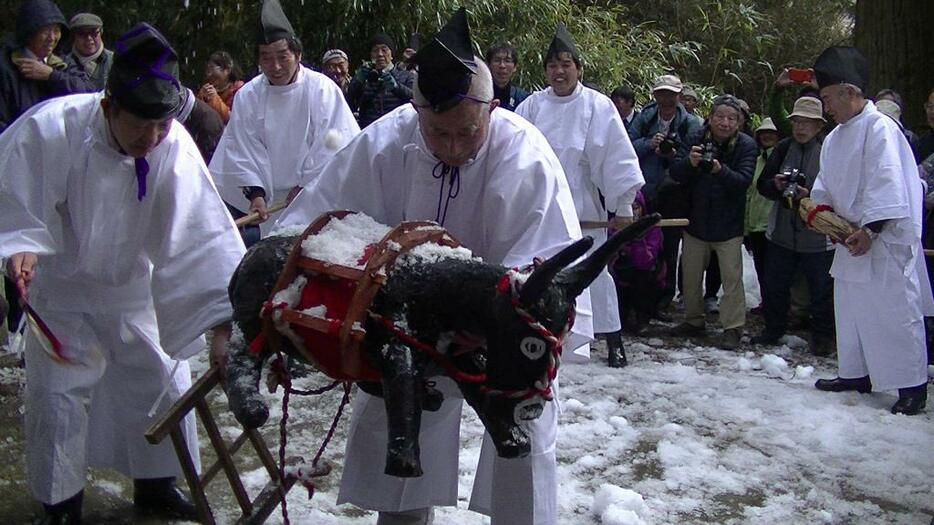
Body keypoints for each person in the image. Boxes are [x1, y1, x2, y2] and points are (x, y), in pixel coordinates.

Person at [276, 9, 591, 524]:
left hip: (503, 323)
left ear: (490, 108)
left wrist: (497, 320)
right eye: (437, 133)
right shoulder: (386, 140)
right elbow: (320, 224)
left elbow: (544, 268)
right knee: (396, 413)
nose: (451, 146)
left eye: (466, 132)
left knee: (525, 422)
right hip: (409, 323)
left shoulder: (525, 154)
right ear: (416, 111)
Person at [0, 23, 246, 522]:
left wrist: (222, 319)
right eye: (141, 125)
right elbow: (16, 200)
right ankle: (60, 502)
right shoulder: (53, 127)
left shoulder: (170, 144)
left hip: (136, 289)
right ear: (109, 107)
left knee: (159, 379)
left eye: (161, 126)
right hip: (63, 291)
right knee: (60, 397)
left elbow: (200, 234)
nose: (152, 138)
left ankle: (156, 485)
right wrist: (20, 247)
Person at [810, 46, 933, 415]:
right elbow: (824, 185)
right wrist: (825, 216)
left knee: (894, 310)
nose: (826, 108)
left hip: (884, 241)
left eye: (829, 98)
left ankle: (912, 384)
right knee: (850, 309)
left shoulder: (881, 128)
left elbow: (889, 183)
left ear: (849, 91)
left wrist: (871, 230)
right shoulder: (834, 138)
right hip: (849, 239)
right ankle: (856, 373)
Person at [516, 23, 644, 368]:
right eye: (553, 65)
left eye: (566, 64)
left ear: (578, 68)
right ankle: (548, 338)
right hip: (541, 208)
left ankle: (612, 339)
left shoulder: (597, 106)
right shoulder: (531, 106)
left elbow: (616, 158)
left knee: (595, 274)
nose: (559, 72)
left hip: (583, 206)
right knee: (541, 273)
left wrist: (622, 204)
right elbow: (513, 155)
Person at [210, 0, 360, 236]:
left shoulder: (322, 89)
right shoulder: (248, 96)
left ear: (298, 55)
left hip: (317, 195)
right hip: (272, 205)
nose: (276, 66)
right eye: (266, 58)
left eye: (283, 56)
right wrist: (256, 195)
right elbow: (242, 148)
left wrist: (305, 186)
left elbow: (335, 142)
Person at [670, 94, 758, 349]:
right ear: (710, 118)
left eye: (732, 118)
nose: (725, 123)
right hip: (696, 219)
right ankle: (693, 320)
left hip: (728, 224)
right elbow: (675, 172)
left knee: (732, 278)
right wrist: (690, 162)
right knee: (690, 276)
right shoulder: (696, 137)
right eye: (720, 117)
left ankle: (732, 327)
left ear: (739, 123)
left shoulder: (746, 146)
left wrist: (720, 170)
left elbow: (743, 182)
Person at [753, 97, 835, 356]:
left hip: (818, 235)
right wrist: (776, 186)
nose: (801, 128)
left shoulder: (829, 151)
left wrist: (809, 195)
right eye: (797, 121)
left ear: (819, 126)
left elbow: (838, 192)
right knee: (775, 284)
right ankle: (773, 329)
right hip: (782, 233)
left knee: (821, 288)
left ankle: (822, 336)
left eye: (807, 122)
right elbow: (762, 185)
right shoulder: (783, 148)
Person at [627, 74, 702, 312]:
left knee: (669, 247)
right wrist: (649, 144)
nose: (666, 99)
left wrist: (672, 155)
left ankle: (665, 297)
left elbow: (690, 157)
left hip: (674, 193)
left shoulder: (690, 124)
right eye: (661, 93)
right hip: (646, 191)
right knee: (643, 244)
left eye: (670, 94)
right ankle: (641, 296)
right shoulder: (645, 118)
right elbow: (626, 147)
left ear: (679, 95)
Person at [0, 0, 94, 133]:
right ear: (29, 32)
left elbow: (89, 92)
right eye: (45, 31)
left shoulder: (63, 62)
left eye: (56, 31)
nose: (52, 38)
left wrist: (51, 75)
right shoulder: (6, 67)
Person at [610, 191, 664, 336]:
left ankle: (642, 320)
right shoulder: (612, 227)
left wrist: (638, 240)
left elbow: (646, 262)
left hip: (643, 273)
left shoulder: (653, 229)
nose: (633, 212)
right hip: (619, 272)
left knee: (643, 280)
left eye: (636, 207)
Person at [744, 117, 780, 314]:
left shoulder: (781, 157)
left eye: (772, 133)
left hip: (772, 223)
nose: (767, 136)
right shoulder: (757, 160)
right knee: (761, 267)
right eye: (764, 133)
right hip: (755, 223)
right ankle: (766, 303)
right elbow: (750, 193)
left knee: (774, 270)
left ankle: (776, 307)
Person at [347, 32, 415, 128]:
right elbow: (348, 106)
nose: (380, 54)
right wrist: (358, 82)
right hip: (370, 133)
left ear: (391, 54)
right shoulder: (364, 78)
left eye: (384, 50)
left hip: (399, 131)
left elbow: (415, 101)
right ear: (370, 55)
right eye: (375, 50)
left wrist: (396, 87)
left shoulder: (406, 76)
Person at [63, 12, 112, 91]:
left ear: (101, 33)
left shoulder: (115, 61)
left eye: (94, 33)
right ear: (73, 37)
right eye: (82, 34)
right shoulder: (63, 65)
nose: (89, 38)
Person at [197, 50, 245, 124]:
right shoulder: (208, 90)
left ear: (227, 70)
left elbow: (233, 119)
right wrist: (201, 98)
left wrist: (214, 99)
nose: (209, 74)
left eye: (212, 68)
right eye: (208, 69)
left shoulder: (240, 91)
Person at [484, 42, 528, 111]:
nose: (502, 66)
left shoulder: (523, 99)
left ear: (515, 67)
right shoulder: (479, 96)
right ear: (488, 65)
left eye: (507, 61)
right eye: (497, 60)